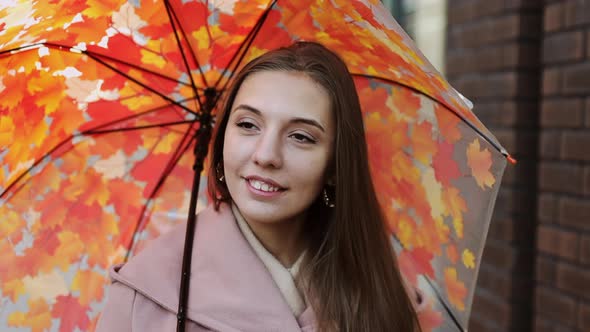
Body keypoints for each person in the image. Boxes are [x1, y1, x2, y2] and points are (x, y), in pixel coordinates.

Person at [96, 41, 423, 332]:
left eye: (301, 136)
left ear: (335, 166)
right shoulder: (145, 296)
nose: (266, 155)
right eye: (248, 125)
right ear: (223, 136)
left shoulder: (382, 295)